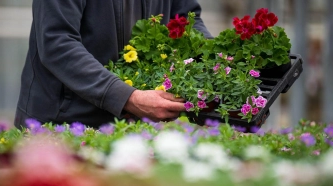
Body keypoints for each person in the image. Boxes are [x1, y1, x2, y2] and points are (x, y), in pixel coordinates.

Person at [14, 0, 213, 129]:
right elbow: (57, 42)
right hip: (63, 124)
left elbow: (185, 19)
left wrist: (215, 65)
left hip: (131, 126)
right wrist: (128, 98)